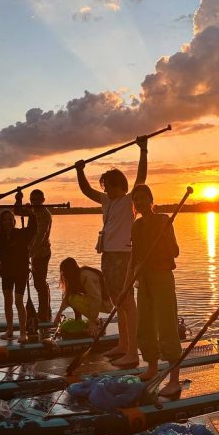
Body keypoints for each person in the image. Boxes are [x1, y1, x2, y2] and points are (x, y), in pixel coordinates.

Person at [75, 137, 148, 368]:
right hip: (107, 255)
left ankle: (133, 352)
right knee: (118, 302)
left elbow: (141, 177)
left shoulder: (130, 201)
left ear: (121, 185)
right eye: (105, 185)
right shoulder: (106, 201)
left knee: (127, 302)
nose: (106, 189)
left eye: (109, 185)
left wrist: (143, 150)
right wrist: (80, 170)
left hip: (124, 255)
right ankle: (123, 345)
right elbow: (87, 190)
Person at [123, 184, 183, 397]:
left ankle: (174, 380)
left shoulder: (163, 220)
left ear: (151, 200)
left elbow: (175, 251)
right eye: (136, 199)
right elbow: (134, 258)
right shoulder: (136, 226)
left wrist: (164, 237)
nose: (139, 202)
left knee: (166, 326)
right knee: (144, 324)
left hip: (162, 278)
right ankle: (152, 367)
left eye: (142, 198)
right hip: (144, 280)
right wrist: (125, 287)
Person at [0, 205, 36, 343]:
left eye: (10, 219)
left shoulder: (22, 235)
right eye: (5, 220)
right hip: (7, 273)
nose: (8, 222)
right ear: (1, 223)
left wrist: (30, 213)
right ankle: (9, 330)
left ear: (14, 221)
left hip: (21, 272)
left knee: (18, 301)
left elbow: (33, 228)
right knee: (7, 301)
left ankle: (22, 333)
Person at [52, 257, 113, 336]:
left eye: (64, 273)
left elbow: (96, 299)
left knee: (73, 299)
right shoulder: (76, 278)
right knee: (71, 297)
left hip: (106, 304)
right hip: (97, 301)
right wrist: (59, 314)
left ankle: (95, 323)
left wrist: (92, 322)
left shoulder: (86, 277)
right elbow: (67, 297)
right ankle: (80, 320)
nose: (63, 275)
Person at [27, 189, 52, 321]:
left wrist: (30, 254)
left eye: (37, 200)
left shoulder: (44, 214)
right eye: (32, 200)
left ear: (43, 200)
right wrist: (18, 199)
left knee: (39, 284)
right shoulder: (32, 211)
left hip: (42, 253)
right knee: (40, 284)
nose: (34, 202)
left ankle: (43, 314)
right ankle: (46, 310)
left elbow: (41, 236)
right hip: (34, 253)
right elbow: (18, 212)